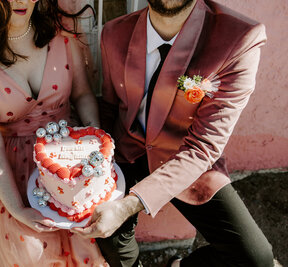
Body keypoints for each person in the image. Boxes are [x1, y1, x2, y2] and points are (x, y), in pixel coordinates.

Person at [71, 0, 274, 266]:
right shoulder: (113, 32)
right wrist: (95, 168)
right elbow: (110, 107)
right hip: (126, 150)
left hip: (186, 158)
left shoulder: (240, 39)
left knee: (256, 260)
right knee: (108, 233)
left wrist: (128, 204)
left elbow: (204, 146)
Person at [0, 0, 108, 266]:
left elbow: (83, 94)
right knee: (33, 250)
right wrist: (17, 209)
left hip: (67, 157)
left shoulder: (62, 35)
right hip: (10, 168)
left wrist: (96, 148)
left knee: (86, 241)